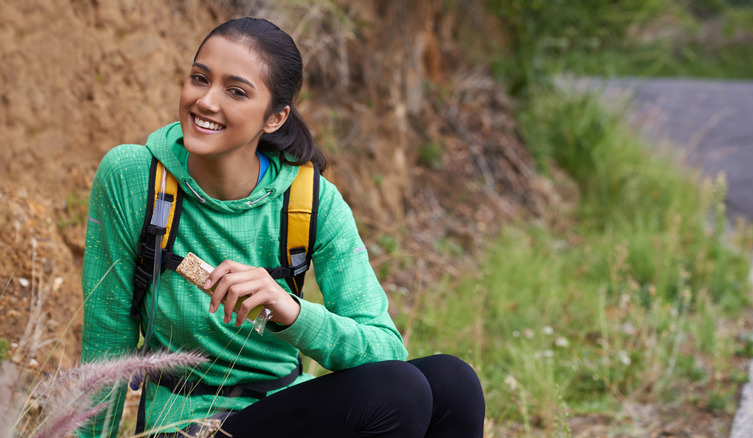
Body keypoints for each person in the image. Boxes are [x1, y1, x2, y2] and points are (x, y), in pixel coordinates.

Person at [78, 16, 484, 438]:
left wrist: (289, 311)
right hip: (188, 425)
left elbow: (386, 350)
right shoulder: (134, 177)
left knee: (453, 382)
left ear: (275, 118)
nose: (206, 102)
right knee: (398, 392)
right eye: (200, 79)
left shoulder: (310, 202)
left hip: (287, 412)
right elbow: (104, 344)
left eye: (236, 91)